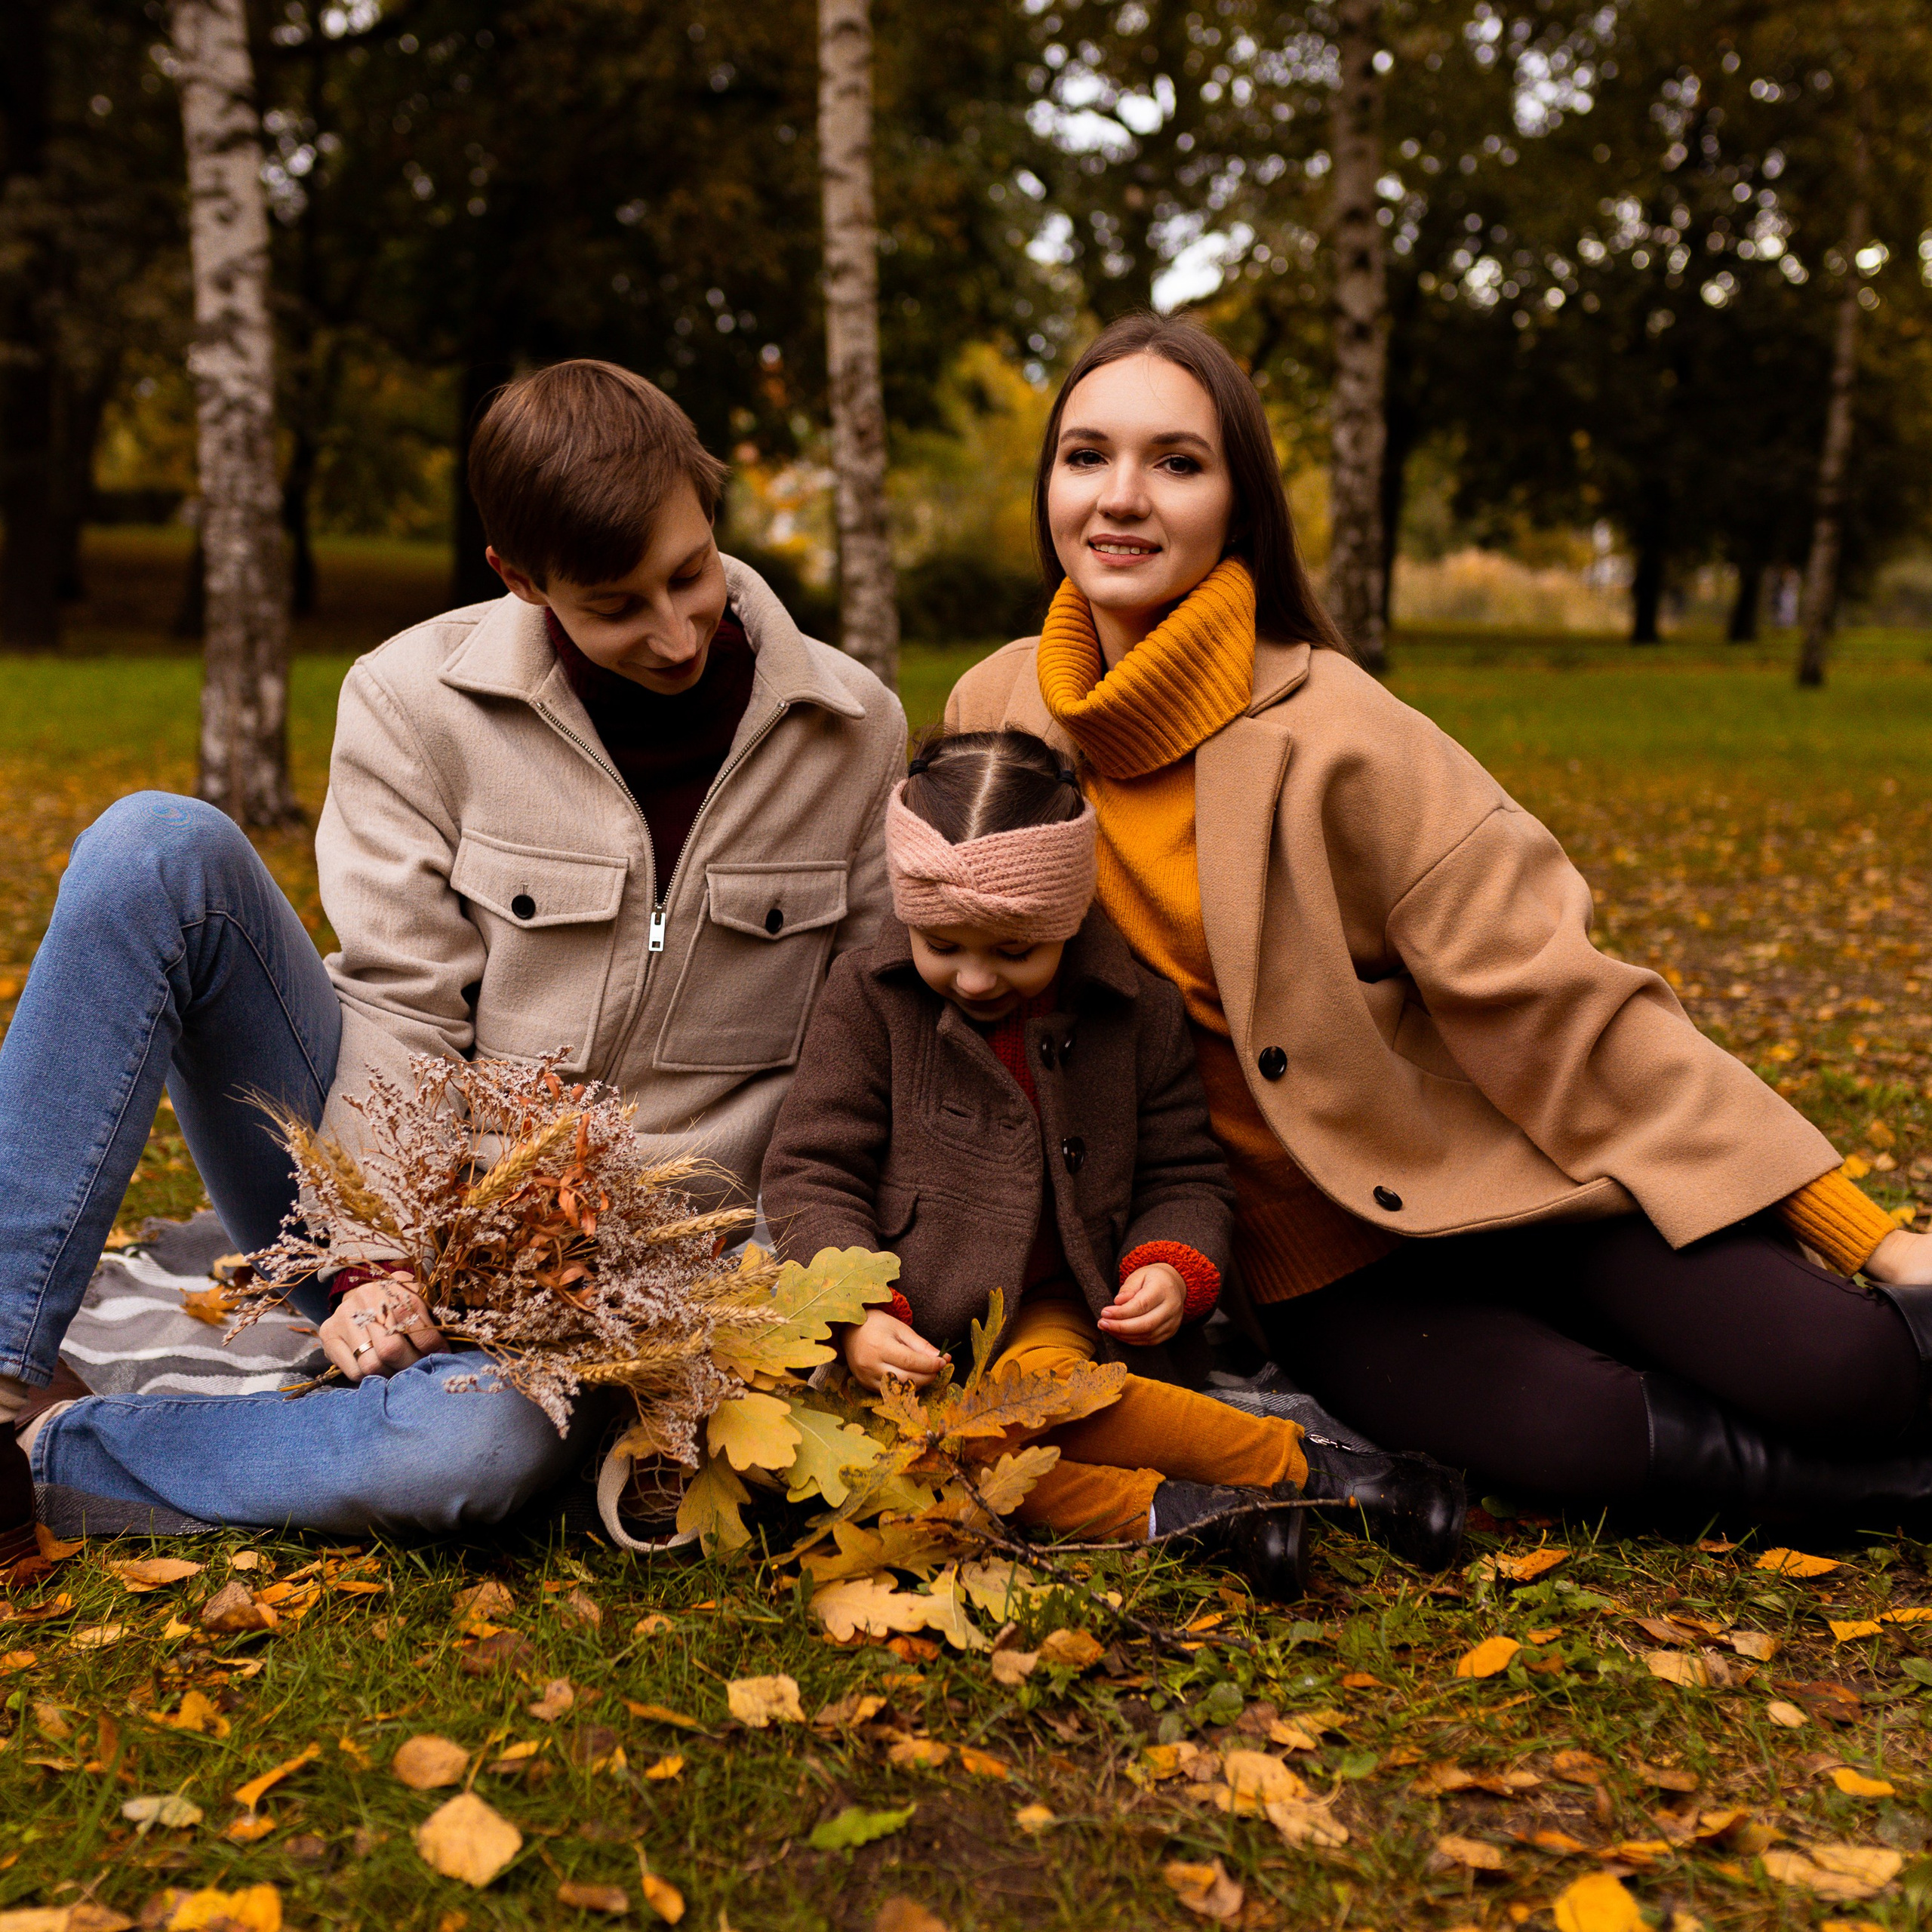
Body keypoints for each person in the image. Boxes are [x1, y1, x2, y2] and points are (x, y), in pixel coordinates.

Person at [944, 310, 1932, 1525]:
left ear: (1240, 504)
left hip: (1511, 1176)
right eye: (1086, 456)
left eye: (1178, 462)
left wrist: (1876, 1243)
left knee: (1844, 1369)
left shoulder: (1347, 735)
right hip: (1312, 1274)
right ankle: (1903, 1495)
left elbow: (1567, 1009)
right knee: (1571, 1444)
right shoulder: (992, 712)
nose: (1121, 498)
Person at [0, 360, 905, 1558]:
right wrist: (375, 1256)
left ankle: (57, 1456)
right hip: (387, 1197)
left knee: (466, 1460)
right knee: (156, 849)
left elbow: (864, 1056)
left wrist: (780, 1300)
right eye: (617, 604)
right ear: (521, 582)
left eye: (689, 574)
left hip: (637, 1281)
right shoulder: (410, 701)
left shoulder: (855, 733)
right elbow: (396, 1002)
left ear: (711, 508)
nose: (677, 630)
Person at [760, 729, 1466, 1598]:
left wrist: (1170, 1263)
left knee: (1034, 1403)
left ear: (1065, 918)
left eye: (1013, 951)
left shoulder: (1131, 1011)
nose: (974, 979)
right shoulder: (867, 1003)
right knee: (937, 1459)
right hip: (915, 1330)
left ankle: (1316, 1476)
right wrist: (856, 1312)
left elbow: (1182, 1172)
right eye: (942, 945)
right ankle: (1213, 1515)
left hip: (1054, 1309)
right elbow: (809, 1171)